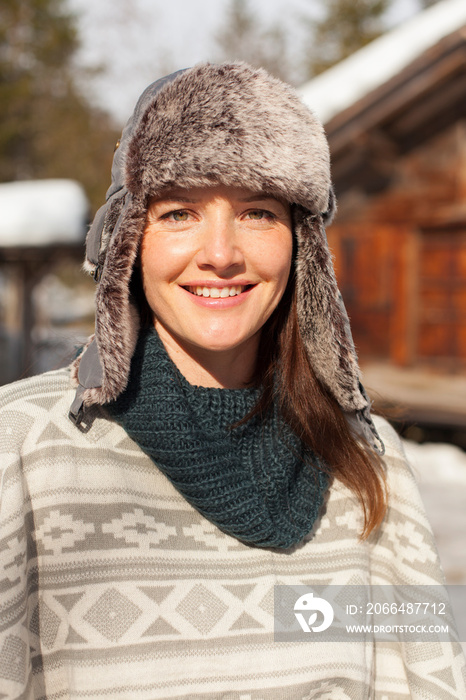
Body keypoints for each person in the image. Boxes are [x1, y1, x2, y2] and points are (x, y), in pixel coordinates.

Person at [0, 62, 465, 699]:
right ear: (128, 242)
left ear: (301, 245)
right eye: (179, 213)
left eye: (257, 213)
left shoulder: (369, 462)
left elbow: (426, 683)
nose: (221, 252)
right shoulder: (21, 447)